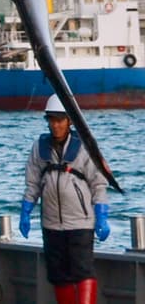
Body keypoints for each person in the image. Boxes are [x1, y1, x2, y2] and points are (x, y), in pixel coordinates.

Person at [19, 93, 108, 304]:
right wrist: (25, 211)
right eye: (51, 120)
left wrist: (102, 215)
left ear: (69, 121)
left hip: (80, 223)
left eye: (60, 120)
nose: (56, 125)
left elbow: (99, 183)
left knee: (83, 272)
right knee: (59, 276)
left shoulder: (84, 146)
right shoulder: (39, 148)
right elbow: (32, 184)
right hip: (51, 225)